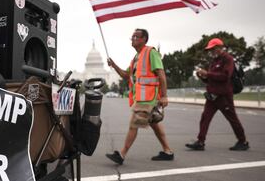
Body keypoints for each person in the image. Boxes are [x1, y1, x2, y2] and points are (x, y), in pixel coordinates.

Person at [105, 28, 174, 165]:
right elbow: (126, 75)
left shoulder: (151, 52)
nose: (133, 39)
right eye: (132, 37)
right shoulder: (136, 58)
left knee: (134, 125)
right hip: (143, 98)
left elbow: (161, 74)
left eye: (136, 37)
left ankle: (122, 154)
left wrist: (165, 96)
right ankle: (168, 151)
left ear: (144, 39)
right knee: (155, 124)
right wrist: (114, 65)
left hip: (147, 98)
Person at [186, 38, 249, 151]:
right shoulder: (214, 61)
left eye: (213, 49)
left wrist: (208, 74)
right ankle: (200, 142)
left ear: (220, 48)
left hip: (224, 96)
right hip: (212, 96)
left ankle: (243, 141)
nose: (211, 51)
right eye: (210, 50)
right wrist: (202, 76)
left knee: (232, 119)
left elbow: (225, 76)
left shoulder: (228, 59)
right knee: (205, 118)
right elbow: (210, 79)